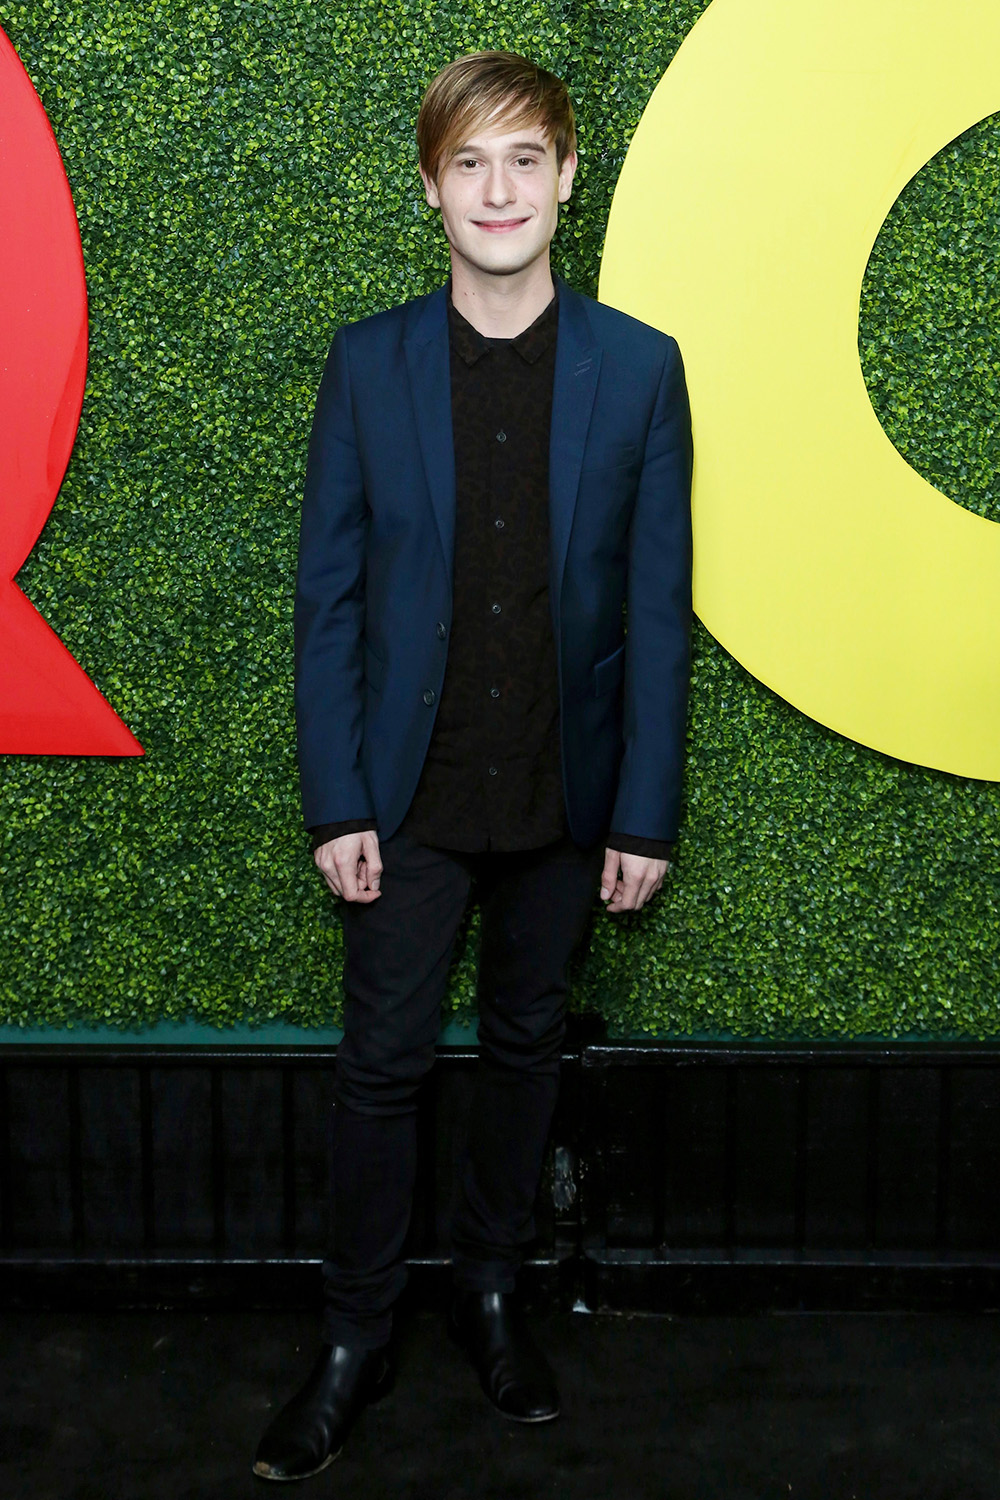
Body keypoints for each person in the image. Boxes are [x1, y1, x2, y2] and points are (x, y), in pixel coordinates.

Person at [253, 49, 693, 1482]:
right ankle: (355, 1333)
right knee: (381, 1069)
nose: (497, 189)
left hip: (566, 797)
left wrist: (643, 809)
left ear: (571, 175)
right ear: (431, 185)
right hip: (408, 798)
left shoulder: (638, 369)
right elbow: (325, 600)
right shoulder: (369, 361)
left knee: (521, 1054)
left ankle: (494, 1291)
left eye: (526, 159)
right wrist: (338, 797)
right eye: (469, 162)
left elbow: (652, 604)